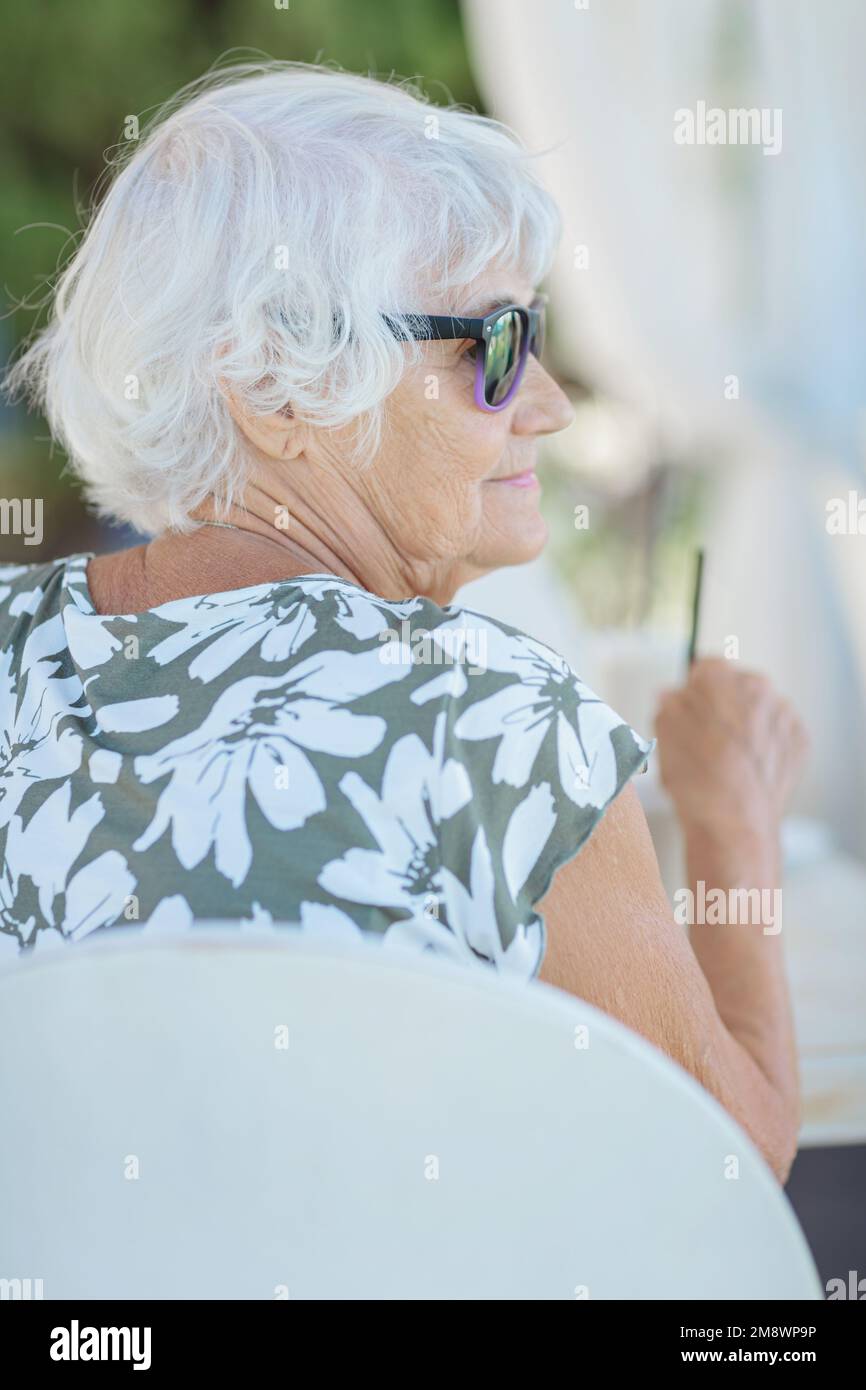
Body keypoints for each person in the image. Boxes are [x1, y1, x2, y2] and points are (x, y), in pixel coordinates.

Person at [1, 62, 807, 1181]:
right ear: (276, 385)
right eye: (494, 343)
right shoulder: (493, 725)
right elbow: (730, 1160)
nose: (550, 403)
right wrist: (733, 818)